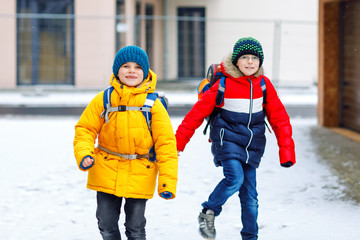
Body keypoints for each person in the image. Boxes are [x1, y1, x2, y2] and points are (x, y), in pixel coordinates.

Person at [175, 37, 295, 240]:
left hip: (253, 145)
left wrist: (286, 151)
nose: (250, 62)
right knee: (235, 178)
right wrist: (178, 142)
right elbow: (195, 114)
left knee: (251, 198)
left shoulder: (264, 85)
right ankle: (209, 211)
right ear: (236, 61)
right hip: (227, 139)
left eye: (254, 58)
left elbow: (280, 118)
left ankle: (250, 237)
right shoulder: (224, 84)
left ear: (260, 62)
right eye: (245, 57)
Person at [73, 45, 178, 240]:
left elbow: (166, 144)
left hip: (141, 171)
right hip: (106, 169)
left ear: (145, 72)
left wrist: (167, 182)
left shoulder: (153, 104)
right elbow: (85, 129)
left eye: (138, 67)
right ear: (117, 71)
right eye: (126, 66)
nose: (132, 71)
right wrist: (84, 153)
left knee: (135, 228)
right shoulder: (104, 99)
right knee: (105, 224)